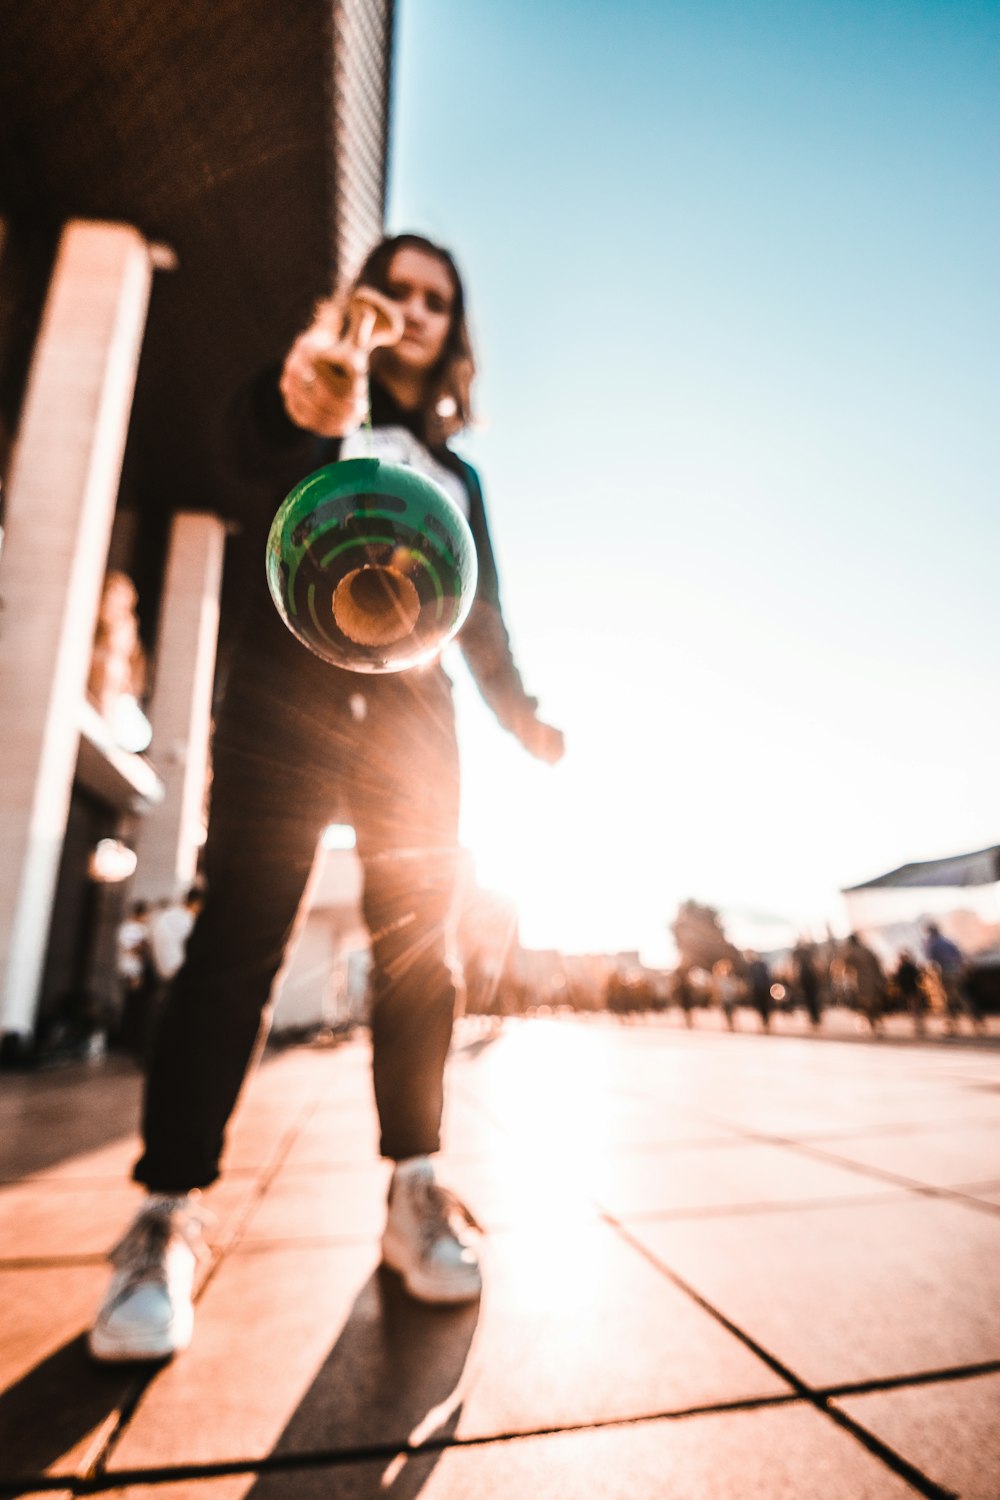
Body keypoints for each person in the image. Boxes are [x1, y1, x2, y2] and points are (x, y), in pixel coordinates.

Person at [89, 234, 564, 1363]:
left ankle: (415, 1187)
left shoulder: (463, 477)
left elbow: (481, 613)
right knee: (238, 938)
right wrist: (300, 380)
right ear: (361, 302)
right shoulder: (317, 399)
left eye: (435, 298)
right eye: (392, 288)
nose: (412, 308)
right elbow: (240, 444)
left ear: (454, 327)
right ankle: (166, 1213)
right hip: (281, 704)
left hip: (413, 722)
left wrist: (521, 714)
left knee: (418, 953)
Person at [924, 922, 983, 1033]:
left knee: (949, 999)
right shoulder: (948, 941)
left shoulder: (932, 943)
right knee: (962, 996)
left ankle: (953, 1026)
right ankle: (976, 1020)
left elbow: (931, 960)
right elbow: (960, 955)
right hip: (957, 971)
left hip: (946, 972)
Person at [841, 932, 886, 1035]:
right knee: (874, 1001)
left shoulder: (851, 952)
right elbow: (877, 963)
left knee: (866, 1003)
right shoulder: (867, 949)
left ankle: (873, 1024)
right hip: (873, 979)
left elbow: (845, 965)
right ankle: (877, 1021)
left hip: (861, 981)